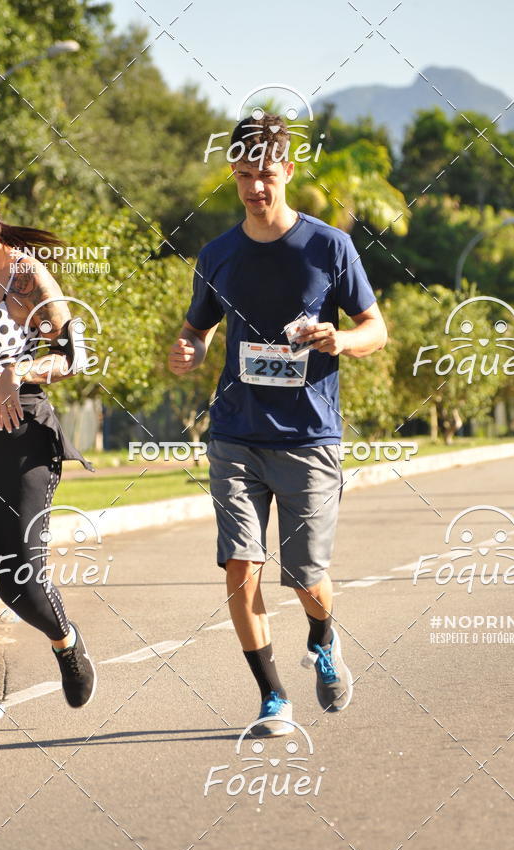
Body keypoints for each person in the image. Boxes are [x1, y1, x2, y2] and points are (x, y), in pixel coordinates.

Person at [168, 115, 387, 737]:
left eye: (265, 175)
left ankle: (323, 636)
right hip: (236, 433)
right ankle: (272, 697)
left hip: (308, 437)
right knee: (241, 564)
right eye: (242, 176)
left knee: (307, 578)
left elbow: (377, 328)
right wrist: (189, 349)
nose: (254, 189)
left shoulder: (328, 247)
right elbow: (196, 328)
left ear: (288, 170)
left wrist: (341, 339)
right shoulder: (217, 254)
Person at [0, 166, 97, 743]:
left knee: (16, 579)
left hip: (17, 427)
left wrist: (15, 370)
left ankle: (65, 642)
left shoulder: (25, 275)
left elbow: (75, 356)